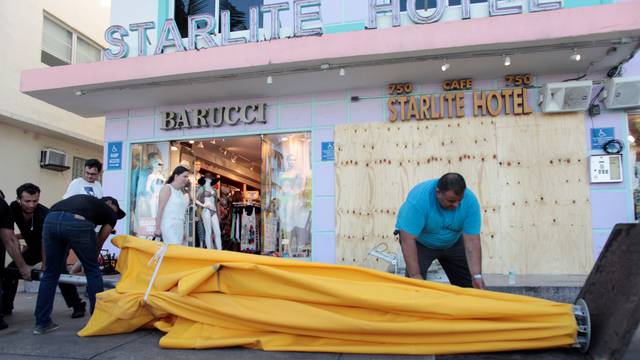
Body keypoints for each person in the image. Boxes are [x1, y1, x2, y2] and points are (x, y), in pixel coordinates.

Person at [33, 195, 125, 335]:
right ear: (111, 203)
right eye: (117, 212)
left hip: (51, 219)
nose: (116, 217)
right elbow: (100, 241)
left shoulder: (85, 203)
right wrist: (90, 263)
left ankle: (42, 323)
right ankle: (98, 321)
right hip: (77, 221)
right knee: (93, 272)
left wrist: (47, 263)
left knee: (50, 274)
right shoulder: (110, 212)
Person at [2, 184, 86, 318]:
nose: (31, 205)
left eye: (35, 201)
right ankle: (6, 306)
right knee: (12, 270)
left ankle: (77, 305)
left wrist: (45, 265)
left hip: (56, 244)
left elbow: (44, 242)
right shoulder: (13, 208)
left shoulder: (43, 214)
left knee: (58, 273)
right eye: (27, 201)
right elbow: (15, 232)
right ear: (19, 199)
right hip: (35, 247)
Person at [395, 173, 485, 289]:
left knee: (472, 287)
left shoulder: (470, 201)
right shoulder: (419, 200)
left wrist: (476, 276)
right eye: (451, 201)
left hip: (454, 243)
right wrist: (415, 275)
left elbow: (472, 241)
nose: (456, 205)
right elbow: (407, 239)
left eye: (459, 200)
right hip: (421, 244)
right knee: (415, 287)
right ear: (438, 193)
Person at [0, 190, 32, 331]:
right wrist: (23, 267)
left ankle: (6, 307)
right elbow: (9, 239)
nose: (31, 205)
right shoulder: (4, 206)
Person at [154, 166, 189, 246]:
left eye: (187, 177)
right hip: (169, 225)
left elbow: (181, 212)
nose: (186, 179)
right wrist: (158, 228)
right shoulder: (167, 188)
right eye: (184, 176)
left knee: (177, 252)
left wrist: (184, 231)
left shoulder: (180, 192)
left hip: (179, 225)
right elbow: (160, 209)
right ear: (176, 176)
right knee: (174, 250)